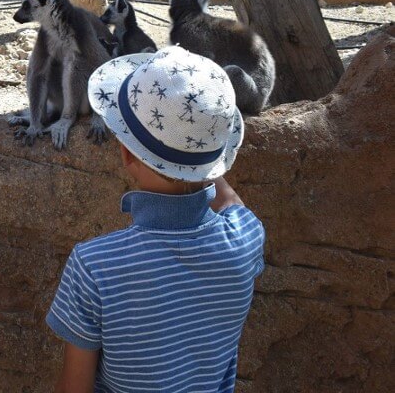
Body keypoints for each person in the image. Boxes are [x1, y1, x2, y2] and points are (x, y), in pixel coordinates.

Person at [47, 46, 265, 393]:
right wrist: (199, 157)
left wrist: (190, 161)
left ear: (125, 152)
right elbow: (231, 203)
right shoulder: (246, 238)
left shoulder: (94, 266)